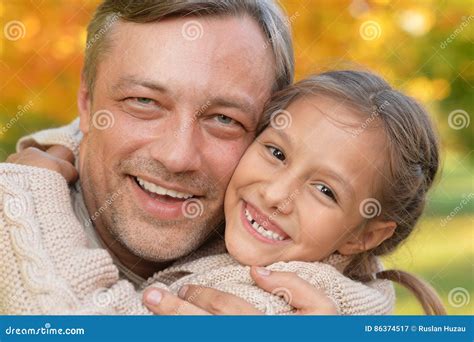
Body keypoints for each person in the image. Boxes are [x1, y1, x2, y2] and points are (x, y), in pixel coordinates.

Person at [0, 0, 378, 315]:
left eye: (224, 119)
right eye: (144, 102)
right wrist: (23, 195)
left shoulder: (305, 288)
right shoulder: (19, 205)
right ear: (86, 100)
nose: (178, 156)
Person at [4, 71, 445, 315]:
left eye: (326, 190)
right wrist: (71, 142)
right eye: (275, 152)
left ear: (365, 237)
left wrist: (25, 186)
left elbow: (60, 314)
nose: (276, 194)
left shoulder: (282, 299)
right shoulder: (294, 248)